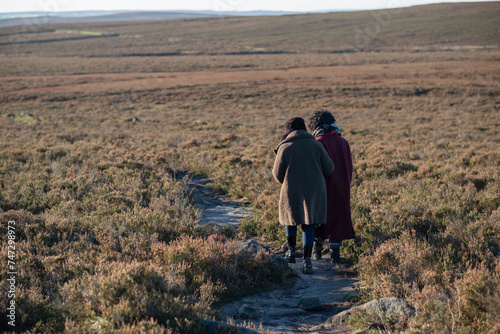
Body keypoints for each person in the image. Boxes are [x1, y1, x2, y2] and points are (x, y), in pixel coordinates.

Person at [273, 117, 334, 274]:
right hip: (314, 189)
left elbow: (277, 174)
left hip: (291, 188)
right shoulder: (316, 144)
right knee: (309, 222)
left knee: (290, 219)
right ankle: (307, 261)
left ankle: (291, 252)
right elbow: (329, 168)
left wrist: (287, 181)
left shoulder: (285, 146)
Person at [307, 108, 355, 265]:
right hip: (342, 185)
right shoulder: (344, 142)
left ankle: (317, 252)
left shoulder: (317, 142)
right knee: (338, 216)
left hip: (322, 187)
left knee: (318, 216)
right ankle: (335, 255)